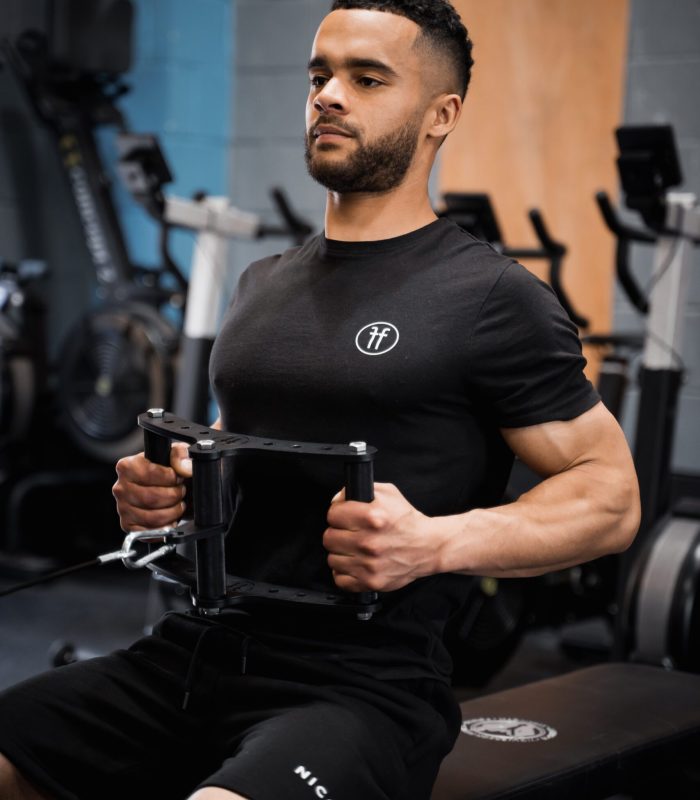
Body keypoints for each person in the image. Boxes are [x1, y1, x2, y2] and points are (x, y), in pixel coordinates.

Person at [0, 1, 641, 798]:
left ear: (442, 115)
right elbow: (240, 455)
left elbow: (610, 498)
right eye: (320, 75)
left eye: (367, 78)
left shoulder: (491, 297)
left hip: (360, 690)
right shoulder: (263, 283)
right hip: (198, 651)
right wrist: (173, 492)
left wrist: (434, 543)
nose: (328, 96)